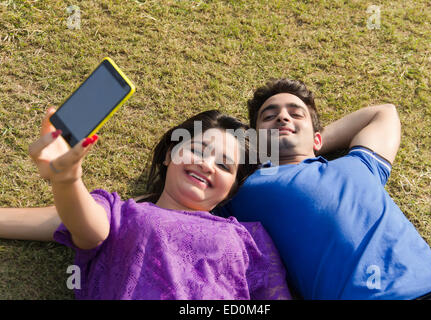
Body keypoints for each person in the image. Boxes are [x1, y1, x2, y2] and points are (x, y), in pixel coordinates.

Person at [0, 107, 291, 300]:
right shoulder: (122, 212)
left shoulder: (249, 237)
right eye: (198, 150)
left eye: (224, 166)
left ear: (230, 191)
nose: (207, 164)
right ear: (168, 156)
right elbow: (87, 227)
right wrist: (68, 180)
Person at [213, 78, 431, 300]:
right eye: (269, 116)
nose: (283, 117)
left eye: (295, 114)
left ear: (318, 139)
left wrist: (311, 142)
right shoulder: (242, 188)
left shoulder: (359, 164)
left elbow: (384, 113)